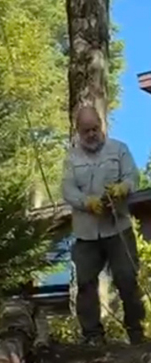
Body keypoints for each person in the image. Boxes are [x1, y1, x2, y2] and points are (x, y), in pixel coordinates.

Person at [60, 105, 145, 346]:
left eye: (95, 128)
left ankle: (136, 333)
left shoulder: (119, 150)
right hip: (86, 232)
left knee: (127, 278)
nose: (92, 134)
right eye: (86, 130)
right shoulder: (71, 157)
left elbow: (132, 177)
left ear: (101, 126)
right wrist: (87, 202)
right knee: (85, 283)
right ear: (78, 131)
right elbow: (67, 189)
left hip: (118, 227)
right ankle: (93, 337)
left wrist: (121, 189)